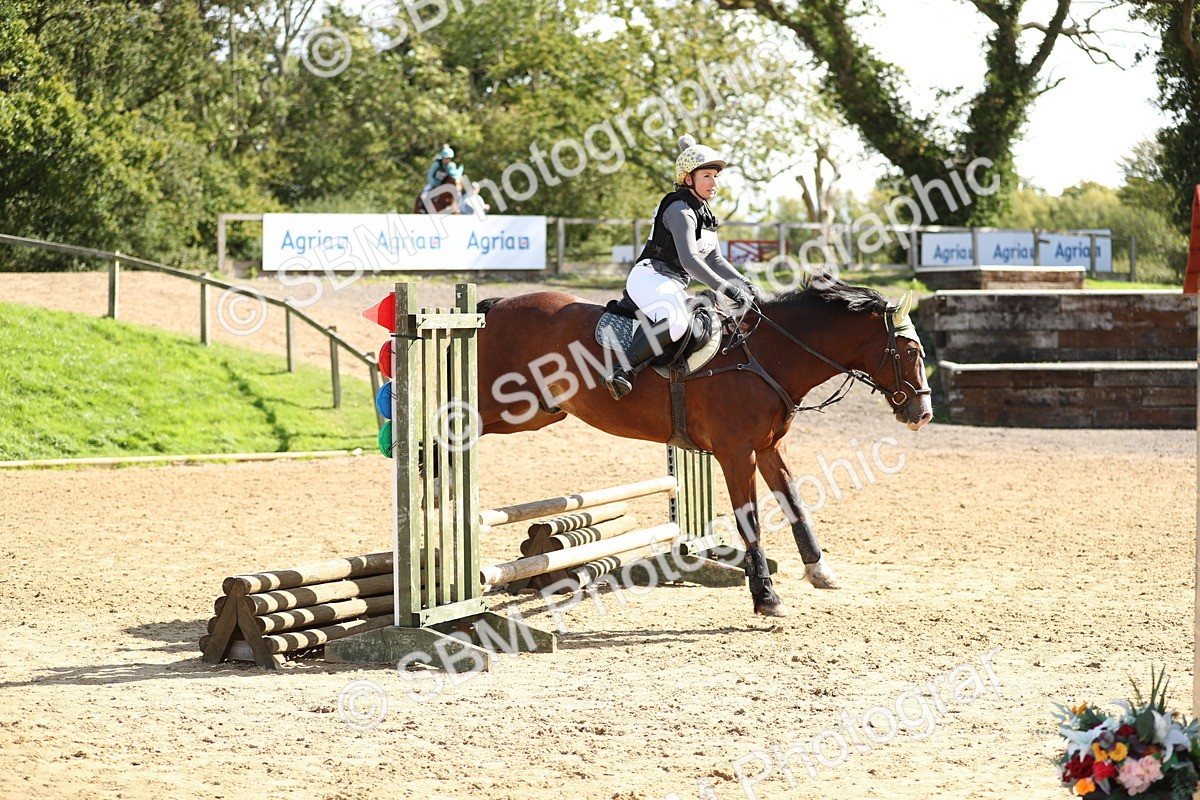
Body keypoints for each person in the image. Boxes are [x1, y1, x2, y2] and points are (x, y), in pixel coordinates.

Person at [603, 134, 757, 400]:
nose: (714, 182)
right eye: (706, 176)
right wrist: (726, 289)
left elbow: (715, 260)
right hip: (649, 276)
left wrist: (746, 283)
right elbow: (690, 261)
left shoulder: (705, 214)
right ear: (689, 179)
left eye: (715, 176)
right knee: (676, 322)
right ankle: (620, 371)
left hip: (672, 282)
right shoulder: (680, 210)